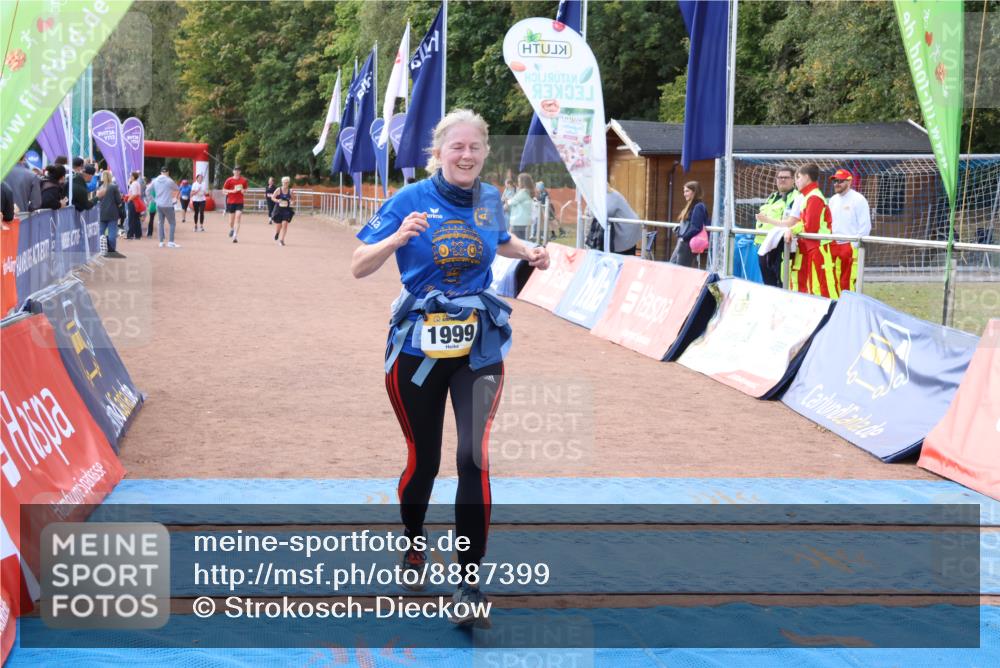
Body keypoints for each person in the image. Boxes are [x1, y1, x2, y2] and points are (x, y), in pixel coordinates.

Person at [351, 109, 550, 627]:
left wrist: (526, 249)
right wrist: (396, 240)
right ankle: (414, 546)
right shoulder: (409, 199)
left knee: (472, 457)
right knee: (425, 459)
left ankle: (468, 581)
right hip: (417, 352)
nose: (466, 156)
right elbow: (358, 263)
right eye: (456, 147)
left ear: (485, 152)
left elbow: (498, 238)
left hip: (478, 348)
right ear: (438, 152)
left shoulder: (489, 199)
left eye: (475, 148)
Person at [783, 163, 838, 298]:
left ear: (807, 178)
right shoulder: (808, 196)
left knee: (821, 287)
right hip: (811, 248)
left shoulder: (814, 197)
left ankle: (832, 316)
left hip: (818, 248)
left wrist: (791, 229)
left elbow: (810, 227)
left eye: (798, 177)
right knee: (811, 286)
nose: (796, 181)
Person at [827, 168, 871, 294]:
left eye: (840, 181)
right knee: (833, 280)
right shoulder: (833, 200)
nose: (836, 184)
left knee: (848, 281)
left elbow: (865, 226)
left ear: (849, 182)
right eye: (835, 181)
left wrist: (854, 245)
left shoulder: (858, 199)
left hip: (849, 246)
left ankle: (849, 308)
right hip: (833, 245)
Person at [754, 166, 799, 287]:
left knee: (781, 283)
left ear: (793, 180)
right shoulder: (772, 197)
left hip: (780, 247)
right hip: (763, 246)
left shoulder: (796, 197)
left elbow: (792, 222)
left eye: (786, 177)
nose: (782, 180)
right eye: (779, 177)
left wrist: (767, 219)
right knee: (768, 284)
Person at [670, 181, 708, 267]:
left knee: (680, 269)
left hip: (687, 243)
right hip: (683, 242)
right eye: (684, 191)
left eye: (687, 191)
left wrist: (684, 238)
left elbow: (696, 227)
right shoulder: (691, 206)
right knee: (673, 266)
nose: (684, 194)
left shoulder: (698, 206)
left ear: (694, 192)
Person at [96, 170, 126, 259]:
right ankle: (111, 250)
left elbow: (98, 199)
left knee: (101, 231)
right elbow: (119, 201)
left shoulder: (100, 187)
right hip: (113, 213)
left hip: (102, 212)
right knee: (112, 232)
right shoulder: (113, 187)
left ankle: (99, 249)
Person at [606, 186, 641, 255]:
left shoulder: (610, 195)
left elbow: (607, 212)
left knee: (624, 258)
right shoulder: (609, 193)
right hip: (629, 227)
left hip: (628, 228)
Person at [151, 166, 180, 248]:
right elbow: (177, 188)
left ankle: (161, 242)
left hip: (159, 204)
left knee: (160, 223)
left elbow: (147, 190)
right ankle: (171, 242)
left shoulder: (155, 180)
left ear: (160, 172)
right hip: (168, 204)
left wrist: (153, 200)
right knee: (172, 223)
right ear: (168, 172)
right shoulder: (169, 180)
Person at [223, 166, 248, 243]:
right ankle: (232, 229)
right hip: (231, 202)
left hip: (239, 202)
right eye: (235, 170)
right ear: (233, 171)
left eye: (238, 170)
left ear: (240, 172)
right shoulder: (229, 180)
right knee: (231, 221)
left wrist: (244, 191)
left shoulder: (243, 180)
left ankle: (235, 236)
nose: (237, 172)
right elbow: (223, 190)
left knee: (238, 217)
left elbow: (246, 189)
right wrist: (232, 191)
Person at [506, 173, 534, 239]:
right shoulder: (527, 192)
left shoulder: (523, 192)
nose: (518, 183)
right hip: (524, 222)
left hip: (518, 222)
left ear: (523, 182)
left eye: (519, 181)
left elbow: (511, 201)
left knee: (516, 244)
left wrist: (507, 202)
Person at [269, 176, 295, 246]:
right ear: (282, 183)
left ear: (288, 183)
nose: (285, 184)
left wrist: (292, 202)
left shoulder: (290, 191)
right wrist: (277, 200)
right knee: (279, 225)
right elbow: (272, 197)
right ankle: (277, 233)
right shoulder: (278, 189)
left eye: (287, 183)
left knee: (285, 224)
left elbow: (293, 200)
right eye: (284, 182)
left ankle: (282, 240)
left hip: (286, 210)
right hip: (278, 209)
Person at [126, 171, 144, 239]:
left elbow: (134, 194)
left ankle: (130, 234)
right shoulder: (137, 183)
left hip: (133, 202)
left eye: (131, 176)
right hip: (137, 201)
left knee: (131, 218)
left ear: (133, 177)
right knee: (136, 218)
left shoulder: (134, 184)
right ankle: (138, 234)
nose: (130, 177)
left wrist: (129, 199)